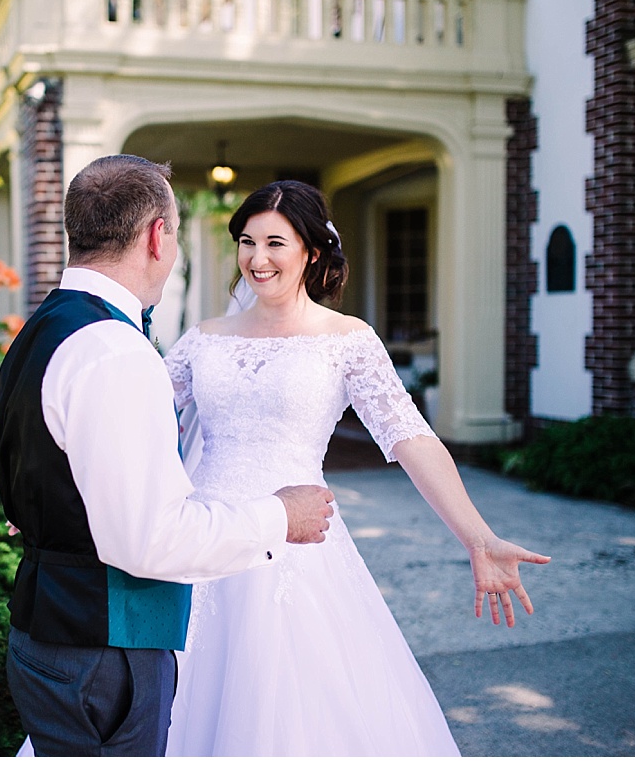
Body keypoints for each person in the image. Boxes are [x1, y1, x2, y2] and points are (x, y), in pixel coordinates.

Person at [162, 180, 551, 757]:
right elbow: (136, 423)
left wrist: (479, 537)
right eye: (247, 242)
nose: (257, 259)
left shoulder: (346, 341)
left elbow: (412, 438)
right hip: (205, 538)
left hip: (300, 547)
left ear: (312, 252)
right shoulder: (203, 339)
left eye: (276, 243)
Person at [0, 156, 336, 757]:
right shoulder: (114, 350)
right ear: (157, 235)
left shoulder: (40, 328)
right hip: (104, 648)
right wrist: (281, 516)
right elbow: (151, 540)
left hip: (43, 631)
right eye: (176, 230)